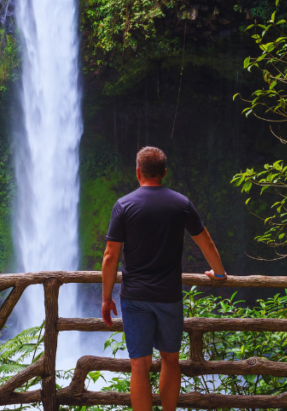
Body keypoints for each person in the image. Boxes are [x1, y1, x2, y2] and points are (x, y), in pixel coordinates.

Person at [100, 146, 228, 411]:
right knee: (171, 360)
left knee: (139, 365)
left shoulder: (123, 205)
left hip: (134, 298)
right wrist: (219, 273)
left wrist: (106, 298)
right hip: (169, 297)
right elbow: (207, 243)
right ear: (164, 173)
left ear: (138, 172)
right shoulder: (181, 203)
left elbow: (110, 256)